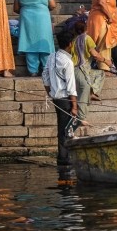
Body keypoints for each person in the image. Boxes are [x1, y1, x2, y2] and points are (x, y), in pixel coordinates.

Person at [42, 31, 81, 166]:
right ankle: (64, 158)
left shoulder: (52, 56)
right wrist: (74, 106)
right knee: (66, 128)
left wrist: (50, 93)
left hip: (56, 98)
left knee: (63, 127)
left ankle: (63, 156)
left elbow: (45, 76)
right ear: (70, 44)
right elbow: (71, 86)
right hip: (65, 99)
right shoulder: (67, 62)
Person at [13, 0, 55, 76]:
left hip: (27, 19)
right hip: (43, 19)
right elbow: (53, 5)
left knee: (29, 43)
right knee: (44, 43)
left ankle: (33, 71)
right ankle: (46, 70)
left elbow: (16, 8)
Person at [71, 21, 110, 120]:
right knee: (84, 91)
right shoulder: (87, 38)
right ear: (86, 29)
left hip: (75, 70)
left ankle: (93, 92)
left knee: (100, 73)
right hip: (81, 69)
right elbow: (95, 54)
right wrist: (106, 61)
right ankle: (81, 117)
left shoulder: (74, 40)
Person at [86, 0, 117, 74]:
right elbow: (102, 3)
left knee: (98, 44)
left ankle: (101, 67)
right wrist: (110, 16)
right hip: (101, 19)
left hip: (99, 19)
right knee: (104, 44)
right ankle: (104, 69)